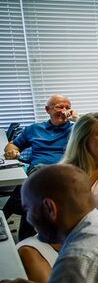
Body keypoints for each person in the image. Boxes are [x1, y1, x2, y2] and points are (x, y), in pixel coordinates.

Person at [3, 94, 78, 239]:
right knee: (35, 189)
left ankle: (19, 232)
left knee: (31, 189)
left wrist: (77, 119)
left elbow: (93, 131)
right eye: (59, 107)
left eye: (67, 107)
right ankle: (25, 236)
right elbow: (12, 145)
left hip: (65, 172)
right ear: (47, 110)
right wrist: (12, 151)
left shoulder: (76, 130)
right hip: (37, 171)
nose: (64, 111)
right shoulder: (34, 129)